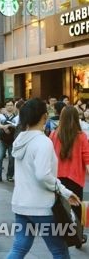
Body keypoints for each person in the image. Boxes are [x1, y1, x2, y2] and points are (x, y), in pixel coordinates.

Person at [7, 98, 81, 258]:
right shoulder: (43, 142)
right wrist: (64, 191)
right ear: (44, 116)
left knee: (19, 249)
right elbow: (42, 175)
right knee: (59, 250)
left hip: (21, 204)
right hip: (42, 207)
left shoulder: (19, 140)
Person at [48, 105, 89, 245]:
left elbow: (50, 156)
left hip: (58, 178)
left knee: (60, 208)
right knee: (77, 209)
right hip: (76, 179)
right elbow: (87, 159)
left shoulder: (54, 134)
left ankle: (61, 235)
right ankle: (78, 238)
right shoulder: (82, 136)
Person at [0, 99, 16, 182]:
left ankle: (10, 176)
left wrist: (10, 126)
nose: (9, 107)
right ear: (5, 106)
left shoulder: (16, 116)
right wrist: (4, 127)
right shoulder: (1, 115)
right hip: (2, 140)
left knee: (12, 159)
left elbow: (18, 125)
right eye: (8, 105)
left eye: (11, 105)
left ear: (13, 106)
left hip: (12, 140)